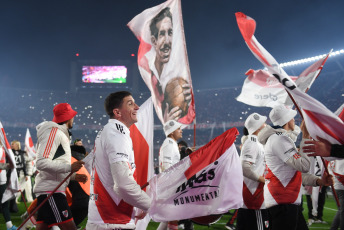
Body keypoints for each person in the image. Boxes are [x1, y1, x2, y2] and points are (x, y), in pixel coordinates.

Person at [258, 105, 332, 230]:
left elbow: (294, 174)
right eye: (292, 118)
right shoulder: (279, 140)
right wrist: (306, 138)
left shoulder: (279, 139)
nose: (294, 120)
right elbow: (304, 166)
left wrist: (319, 181)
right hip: (283, 201)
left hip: (286, 200)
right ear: (286, 120)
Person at [86, 91, 151, 230]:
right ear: (117, 112)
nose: (137, 107)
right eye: (130, 103)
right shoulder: (117, 132)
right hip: (111, 220)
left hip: (106, 218)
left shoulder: (110, 131)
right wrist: (152, 205)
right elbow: (123, 185)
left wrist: (138, 202)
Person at [33, 103, 86, 230]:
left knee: (43, 228)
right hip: (51, 191)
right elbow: (41, 162)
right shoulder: (54, 132)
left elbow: (57, 162)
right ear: (68, 117)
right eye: (72, 116)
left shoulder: (58, 133)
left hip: (51, 189)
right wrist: (70, 168)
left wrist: (72, 176)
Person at [149, 7, 191, 122]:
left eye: (170, 33)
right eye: (162, 34)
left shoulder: (176, 73)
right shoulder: (147, 72)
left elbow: (180, 115)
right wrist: (165, 123)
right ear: (154, 41)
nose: (167, 41)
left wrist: (187, 104)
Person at [236, 113, 268, 230]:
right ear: (259, 126)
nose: (266, 125)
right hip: (254, 196)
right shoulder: (253, 142)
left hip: (252, 194)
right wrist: (264, 180)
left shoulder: (255, 142)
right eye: (264, 123)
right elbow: (245, 167)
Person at [158, 120, 183, 230]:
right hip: (170, 185)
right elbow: (166, 168)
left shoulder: (171, 143)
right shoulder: (168, 144)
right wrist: (172, 185)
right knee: (173, 217)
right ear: (172, 132)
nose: (181, 131)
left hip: (171, 184)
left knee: (169, 218)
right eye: (178, 129)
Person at [0, 141, 18, 230]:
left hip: (2, 181)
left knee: (4, 203)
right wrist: (8, 165)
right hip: (1, 180)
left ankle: (9, 226)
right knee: (4, 203)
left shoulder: (2, 149)